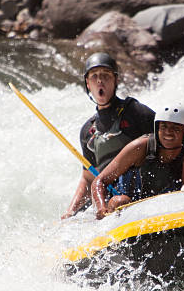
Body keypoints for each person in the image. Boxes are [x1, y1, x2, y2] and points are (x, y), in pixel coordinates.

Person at [62, 52, 155, 219]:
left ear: (115, 80)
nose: (100, 80)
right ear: (88, 84)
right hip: (106, 198)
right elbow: (89, 177)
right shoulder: (87, 131)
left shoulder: (135, 111)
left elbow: (168, 141)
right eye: (94, 76)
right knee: (72, 219)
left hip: (138, 191)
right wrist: (70, 211)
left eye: (106, 75)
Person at [91, 103, 184, 219]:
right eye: (164, 126)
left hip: (163, 213)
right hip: (125, 210)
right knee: (120, 201)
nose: (168, 132)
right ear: (157, 128)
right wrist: (101, 208)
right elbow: (99, 181)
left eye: (176, 128)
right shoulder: (139, 147)